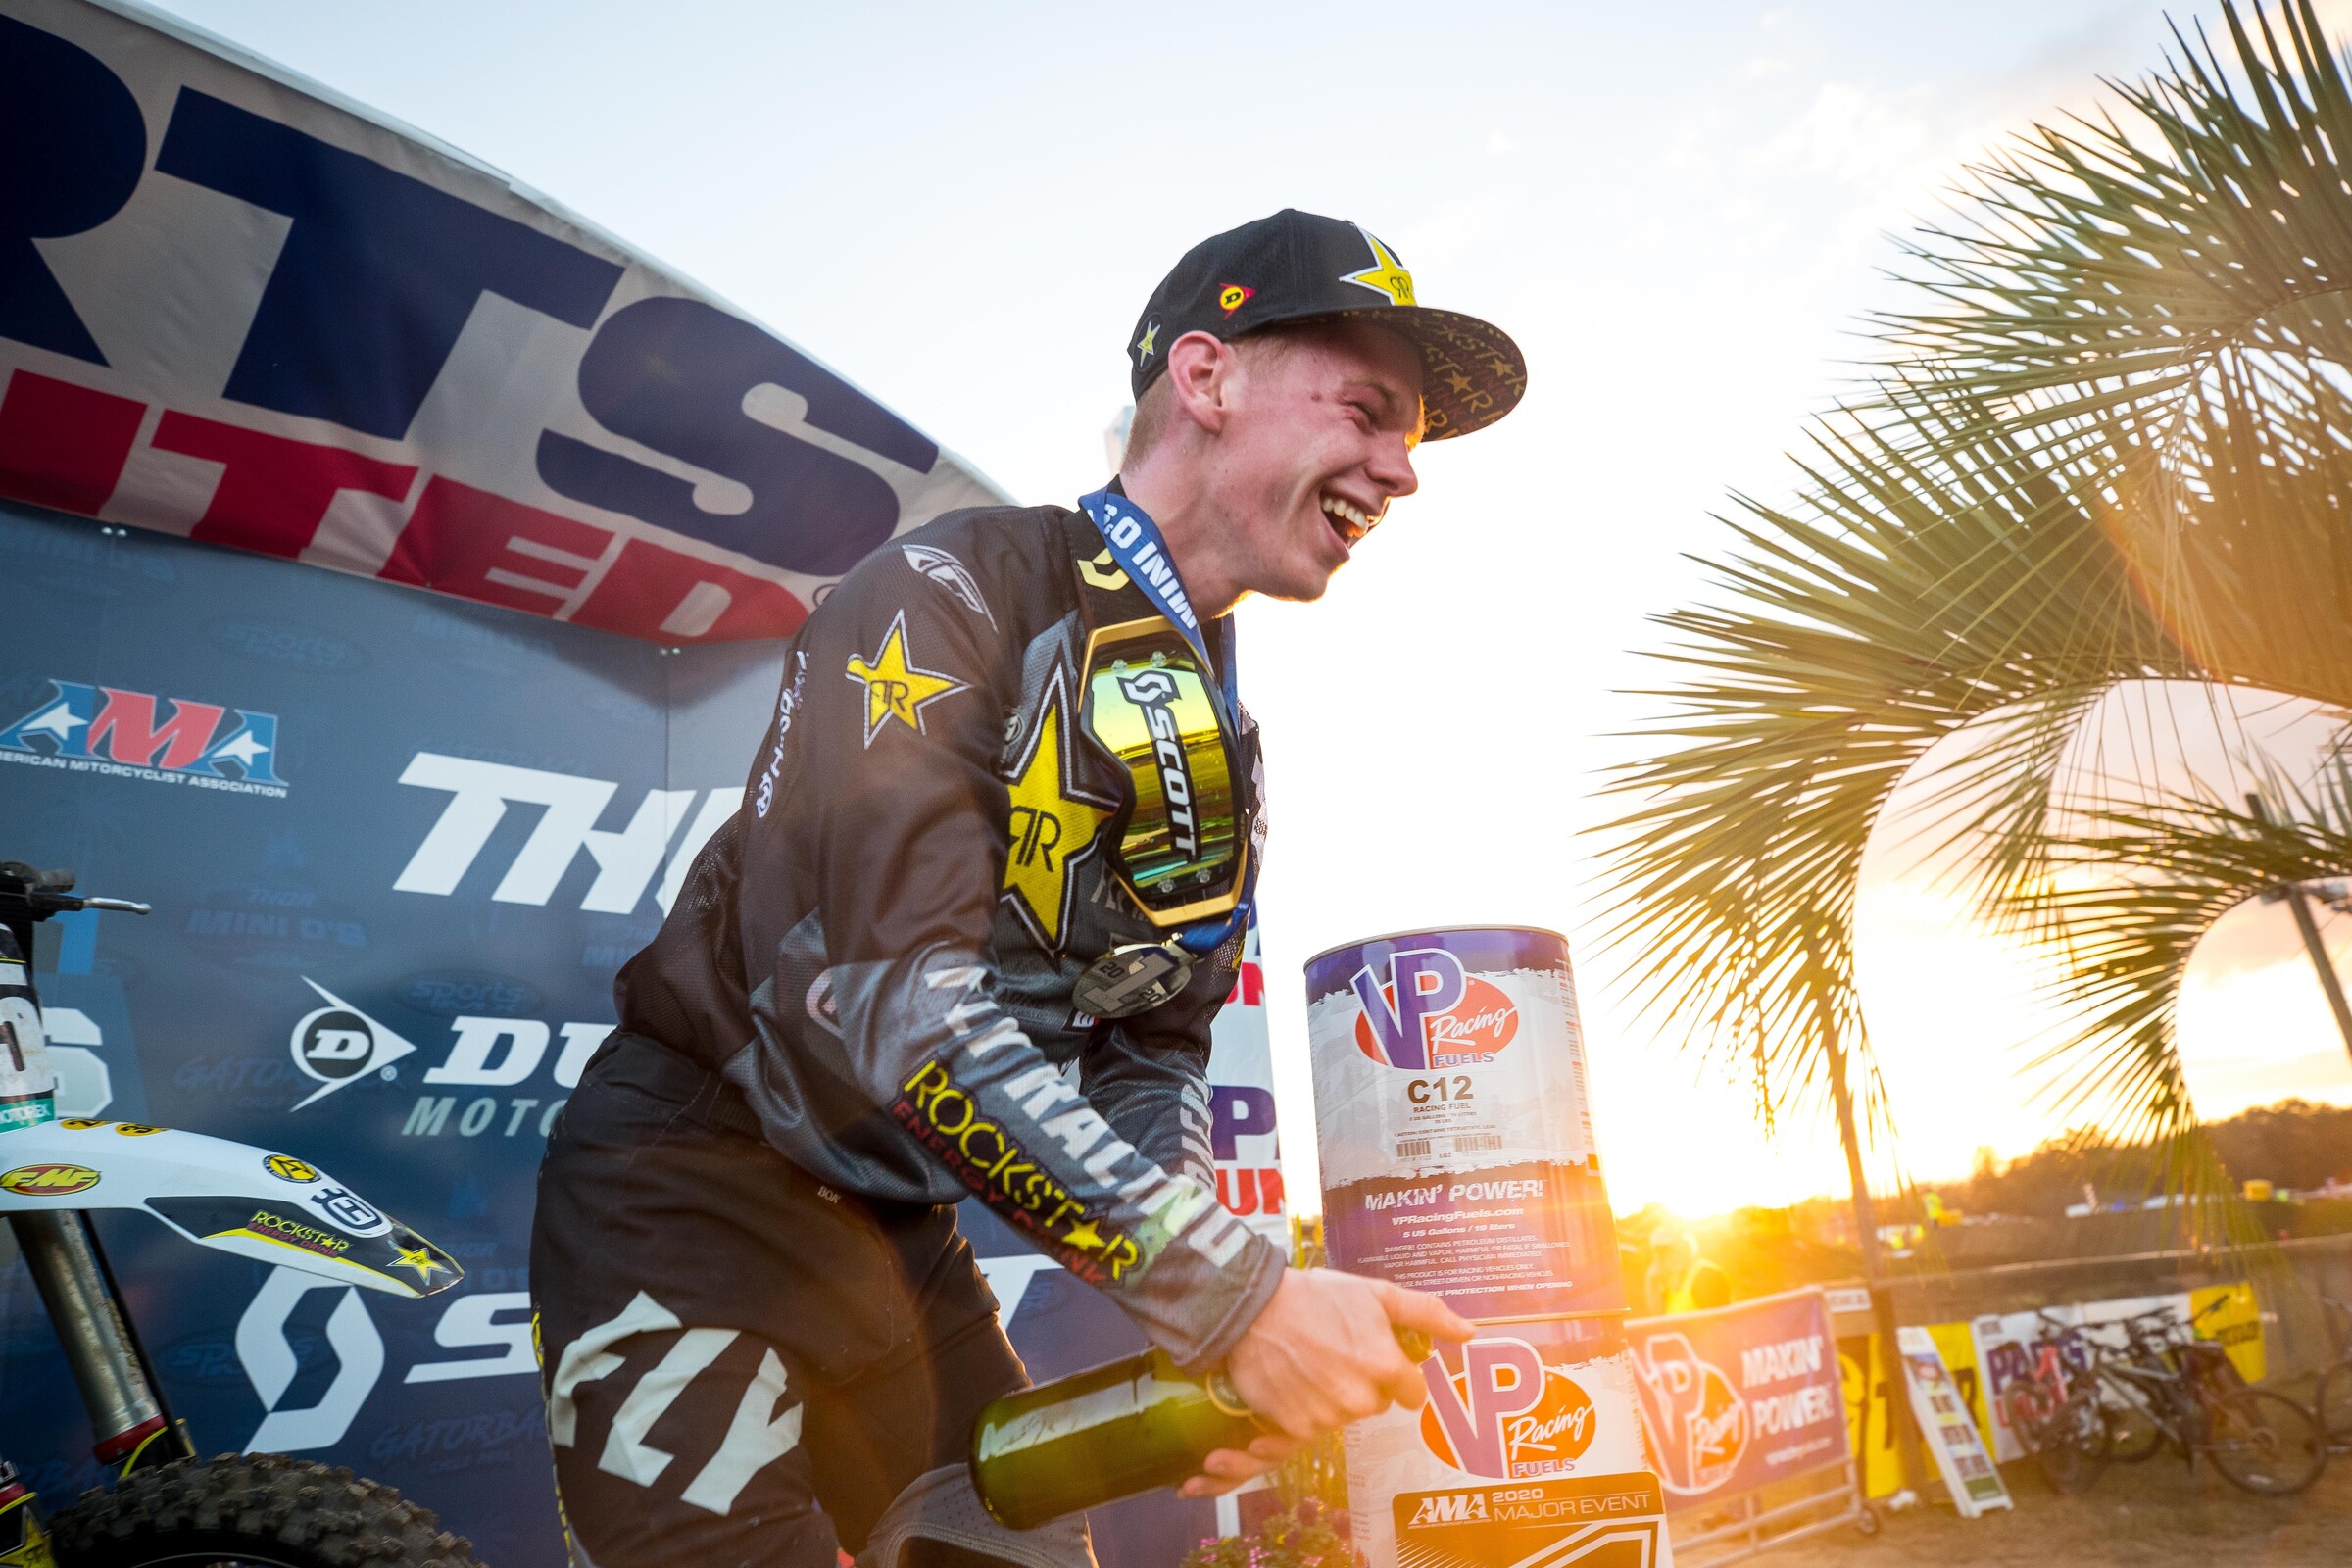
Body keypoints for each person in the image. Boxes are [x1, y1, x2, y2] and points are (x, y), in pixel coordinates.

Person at [530, 209, 1527, 1568]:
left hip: (897, 1241)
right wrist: (1238, 1299)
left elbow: (1153, 1050)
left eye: (1412, 438)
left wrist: (1197, 1313)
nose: (1401, 471)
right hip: (688, 1182)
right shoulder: (943, 593)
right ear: (1207, 377)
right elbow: (897, 1010)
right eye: (1369, 411)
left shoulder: (1225, 738)